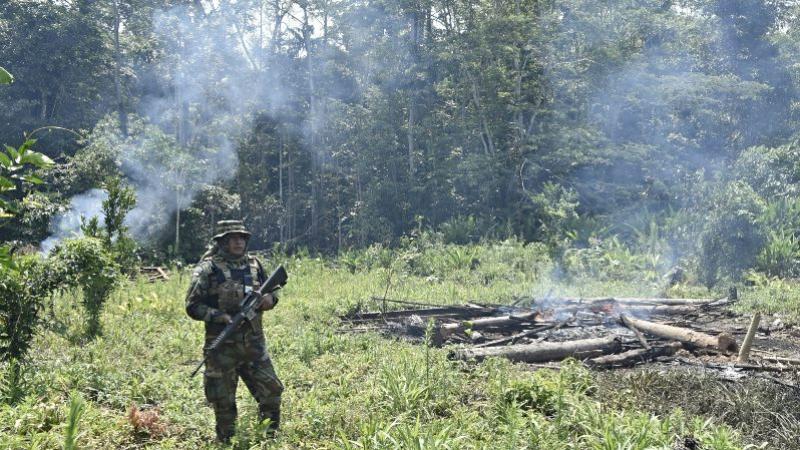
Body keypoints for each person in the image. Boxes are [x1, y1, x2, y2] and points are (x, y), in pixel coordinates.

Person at [185, 220, 283, 443]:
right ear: (222, 242)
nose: (238, 242)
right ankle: (226, 442)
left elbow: (273, 291)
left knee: (272, 392)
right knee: (223, 403)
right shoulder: (207, 269)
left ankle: (268, 439)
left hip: (254, 346)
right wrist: (221, 317)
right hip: (222, 348)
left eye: (242, 237)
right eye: (232, 238)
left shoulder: (255, 264)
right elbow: (192, 305)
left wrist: (270, 300)